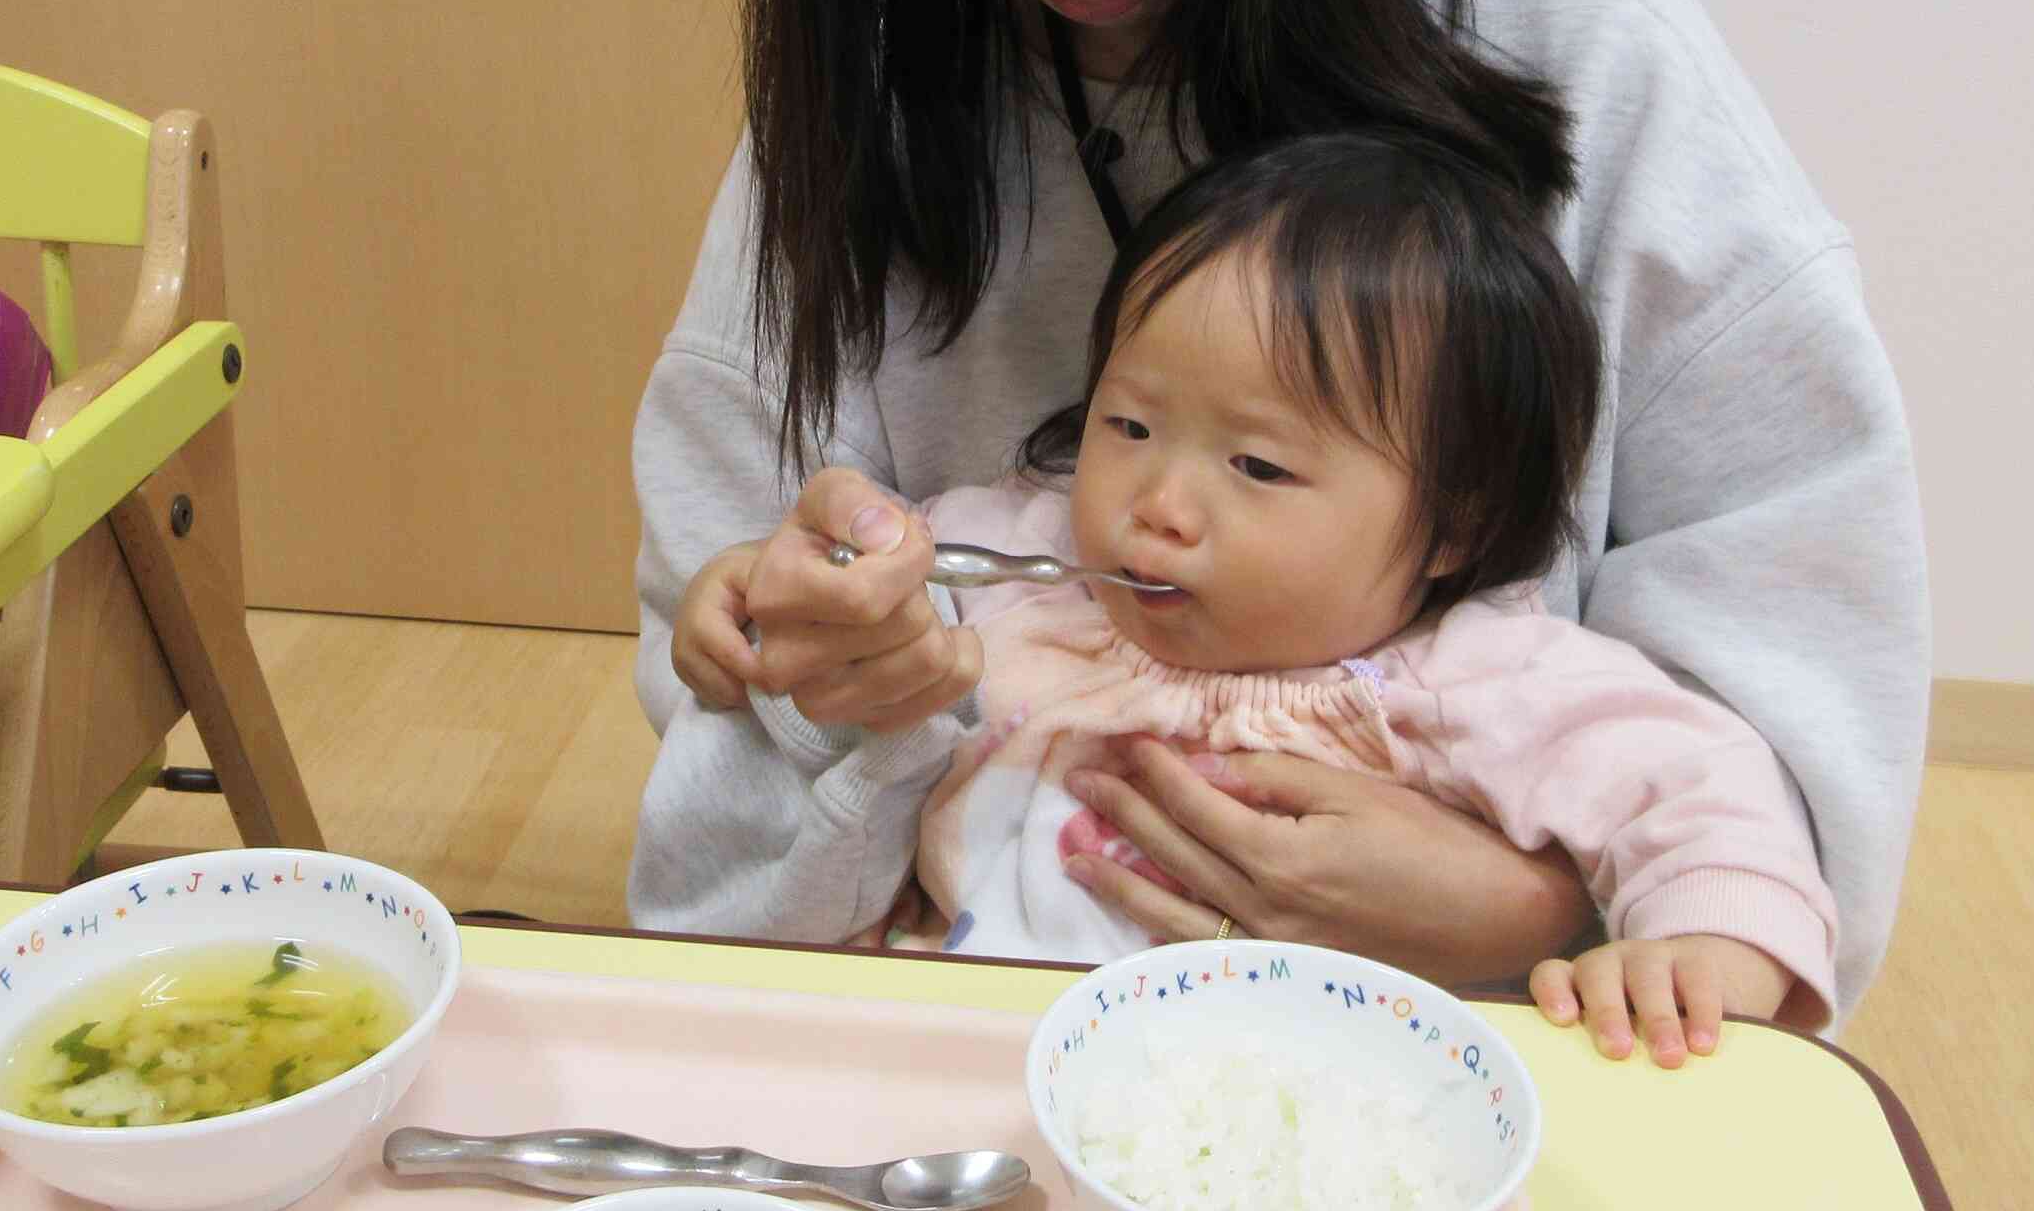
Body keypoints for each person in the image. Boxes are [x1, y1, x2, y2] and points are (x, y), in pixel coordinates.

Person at [630, 0, 1929, 1045]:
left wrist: (1516, 912)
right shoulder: (853, 135)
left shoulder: (1594, 76)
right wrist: (811, 683)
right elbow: (717, 766)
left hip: (1478, 1083)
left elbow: (1776, 782)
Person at [642, 133, 1844, 1056]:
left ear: (1454, 523)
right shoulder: (1017, 566)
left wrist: (1700, 961)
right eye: (1128, 423)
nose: (1158, 502)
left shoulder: (1479, 680)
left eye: (1258, 466)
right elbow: (853, 597)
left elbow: (1703, 795)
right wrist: (759, 601)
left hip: (1299, 1111)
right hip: (950, 1057)